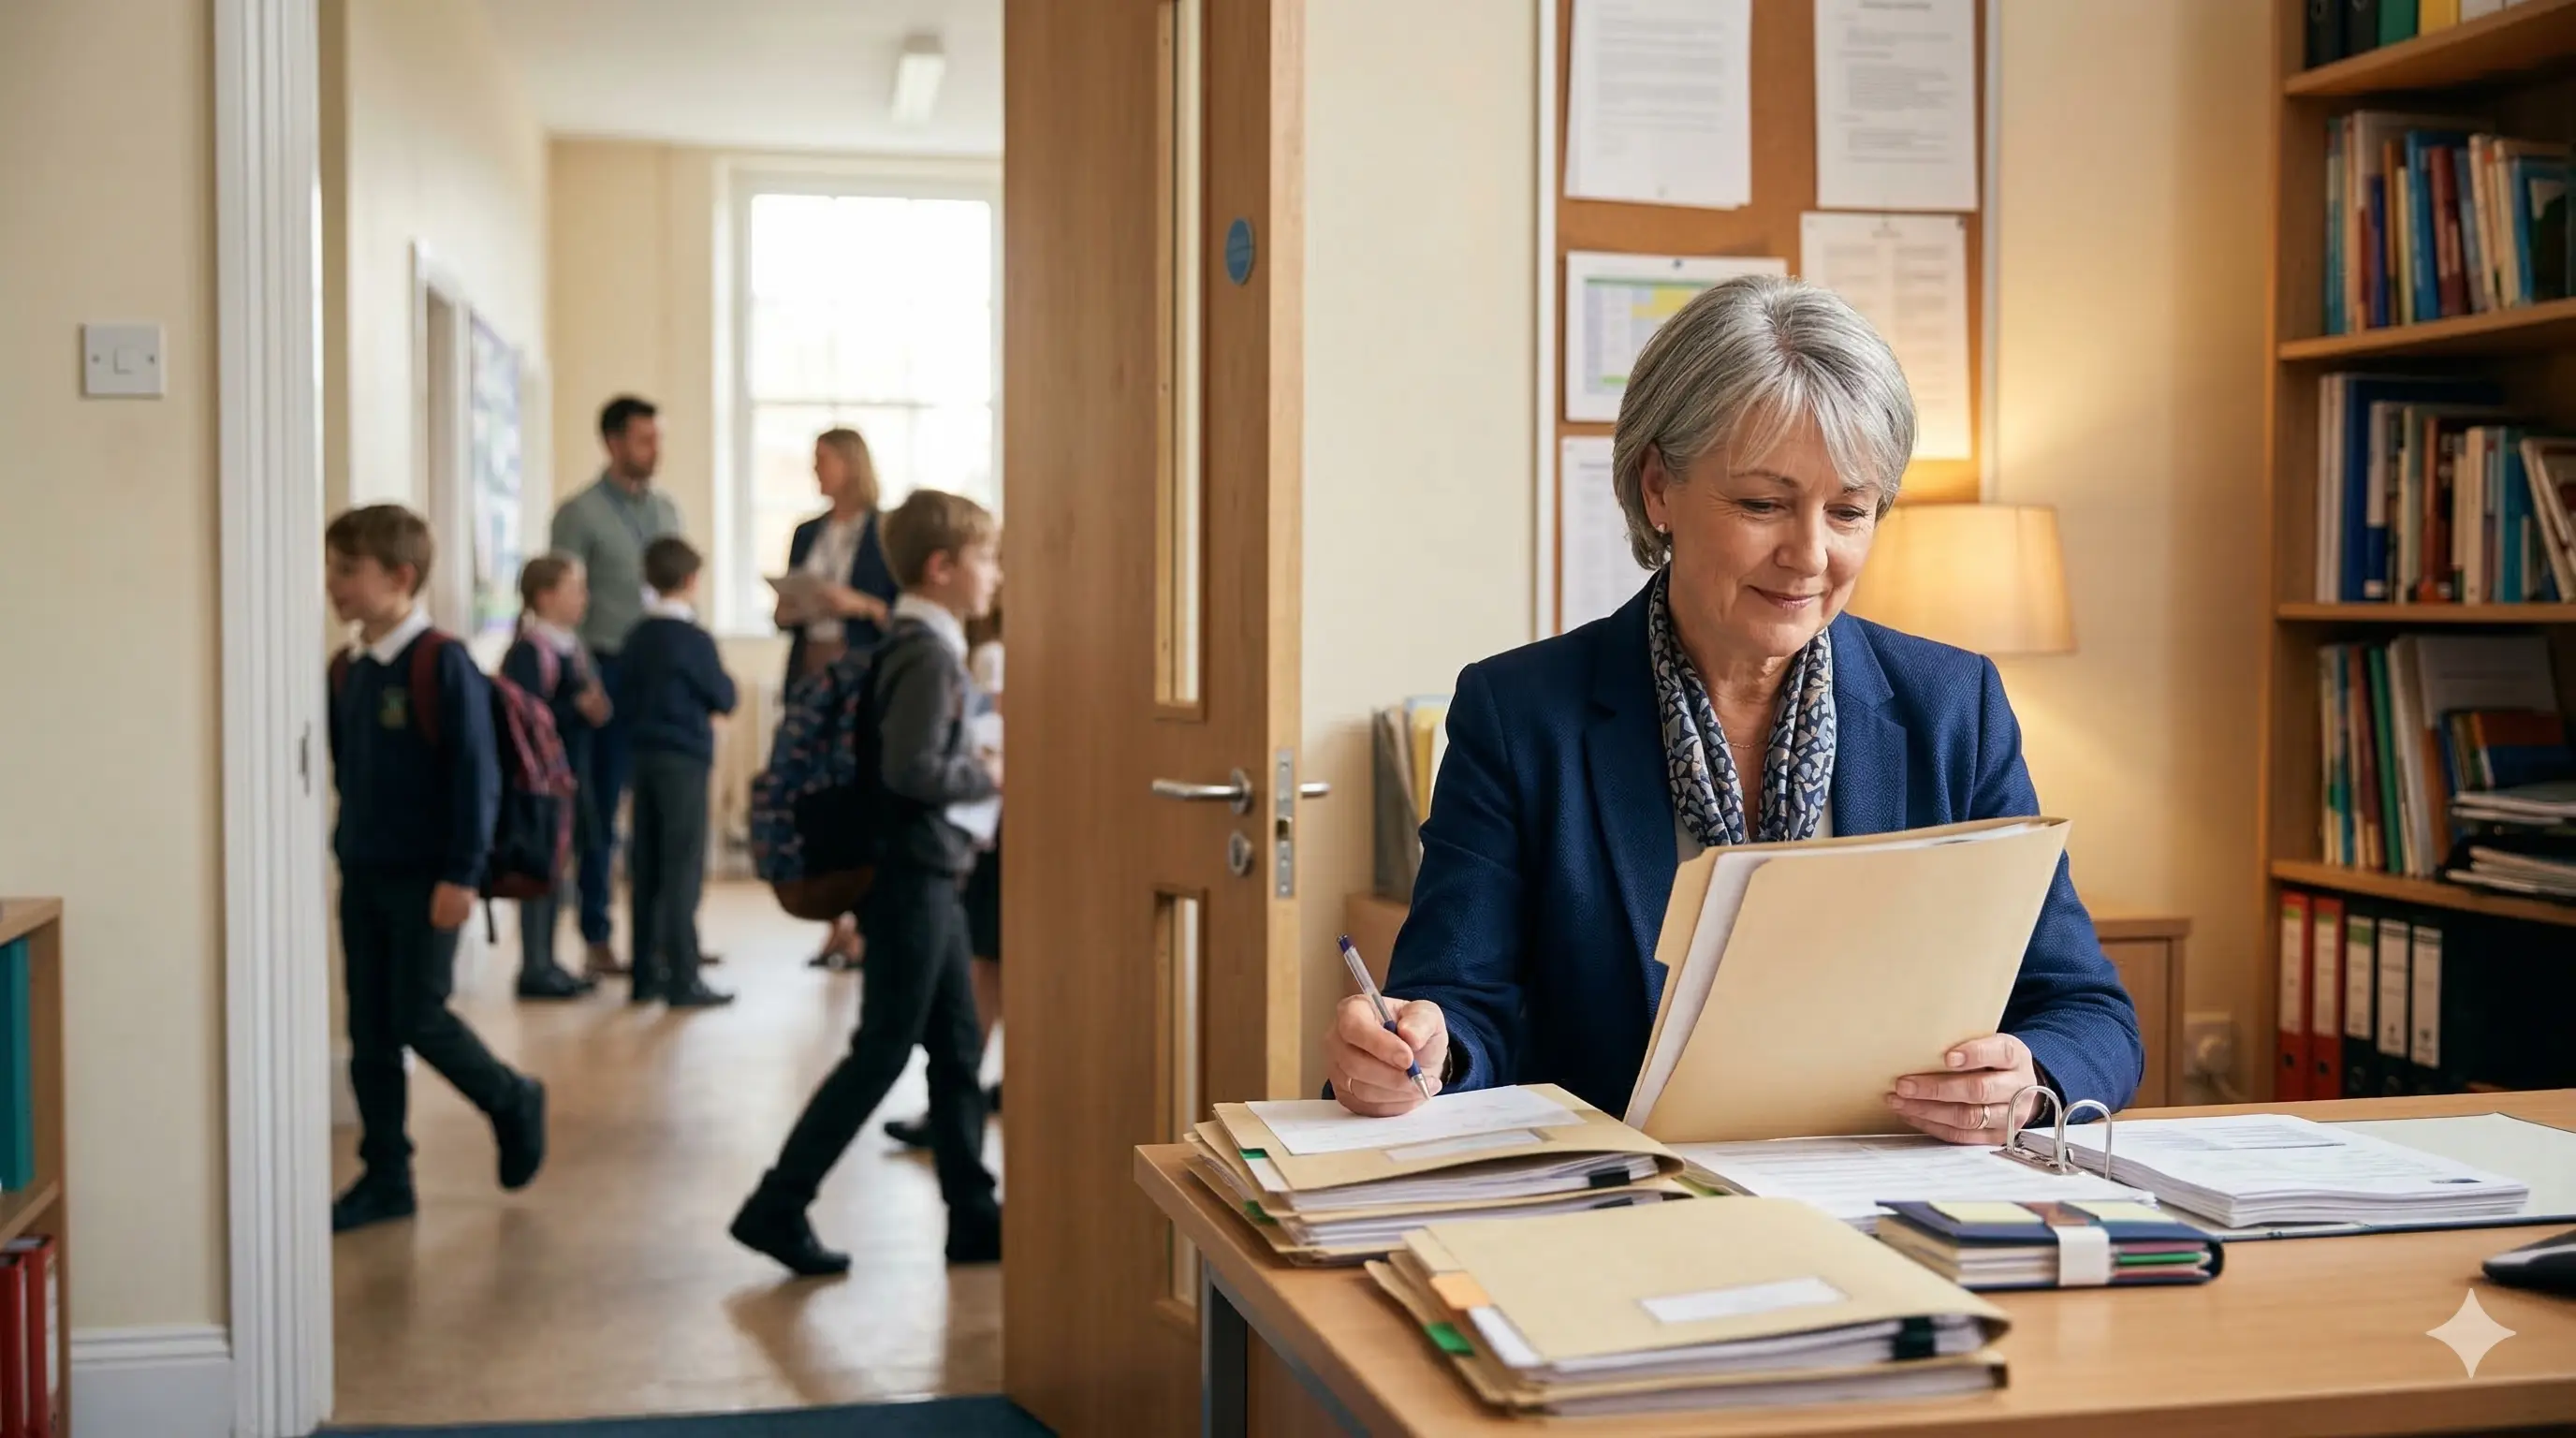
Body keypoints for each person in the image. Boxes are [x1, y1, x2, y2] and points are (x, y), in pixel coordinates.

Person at [1325, 276, 2143, 1142]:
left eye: (1850, 511)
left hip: (1897, 1203)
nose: (1810, 554)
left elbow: (2089, 1013)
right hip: (1626, 1213)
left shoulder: (1951, 706)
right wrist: (1420, 1055)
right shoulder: (1521, 715)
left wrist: (2027, 1079)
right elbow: (1461, 1006)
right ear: (1658, 490)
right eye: (1763, 504)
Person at [731, 490, 1005, 1275]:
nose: (995, 575)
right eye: (986, 559)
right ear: (942, 566)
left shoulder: (919, 642)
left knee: (955, 1049)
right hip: (913, 875)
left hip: (927, 876)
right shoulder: (925, 651)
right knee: (883, 1050)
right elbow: (912, 769)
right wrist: (985, 770)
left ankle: (973, 1215)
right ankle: (776, 1205)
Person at [323, 505, 547, 1233]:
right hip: (363, 874)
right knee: (370, 1030)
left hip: (430, 880)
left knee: (420, 1015)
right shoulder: (346, 670)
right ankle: (387, 1173)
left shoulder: (439, 662)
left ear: (401, 576)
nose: (334, 583)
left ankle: (511, 1097)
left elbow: (475, 779)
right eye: (332, 567)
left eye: (347, 569)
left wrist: (461, 873)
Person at [549, 395, 683, 981]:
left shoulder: (666, 511)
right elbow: (563, 606)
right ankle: (598, 936)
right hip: (603, 670)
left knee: (661, 811)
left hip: (659, 673)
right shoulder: (578, 514)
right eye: (642, 439)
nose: (654, 450)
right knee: (601, 811)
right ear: (612, 443)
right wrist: (581, 679)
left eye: (657, 437)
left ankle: (663, 939)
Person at [778, 426, 900, 970]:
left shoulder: (886, 531)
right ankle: (834, 925)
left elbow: (898, 612)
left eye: (822, 459)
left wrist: (856, 603)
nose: (814, 470)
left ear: (851, 463)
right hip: (810, 675)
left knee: (858, 794)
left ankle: (867, 925)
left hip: (861, 675)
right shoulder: (807, 533)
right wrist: (789, 609)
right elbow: (788, 609)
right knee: (817, 798)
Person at [886, 592, 1003, 1149]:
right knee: (977, 981)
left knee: (981, 981)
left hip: (993, 831)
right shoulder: (940, 651)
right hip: (970, 836)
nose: (996, 575)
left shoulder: (955, 651)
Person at [620, 536, 738, 1008]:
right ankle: (683, 976)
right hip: (684, 761)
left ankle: (645, 974)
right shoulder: (693, 640)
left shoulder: (636, 637)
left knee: (644, 867)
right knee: (682, 867)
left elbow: (620, 698)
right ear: (691, 581)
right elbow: (724, 697)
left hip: (641, 759)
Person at [501, 553, 609, 1000]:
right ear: (545, 596)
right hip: (540, 783)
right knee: (540, 869)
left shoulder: (571, 645)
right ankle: (535, 965)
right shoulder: (530, 651)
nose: (583, 598)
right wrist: (574, 709)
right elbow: (524, 715)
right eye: (574, 588)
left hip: (570, 774)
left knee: (560, 870)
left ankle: (549, 959)